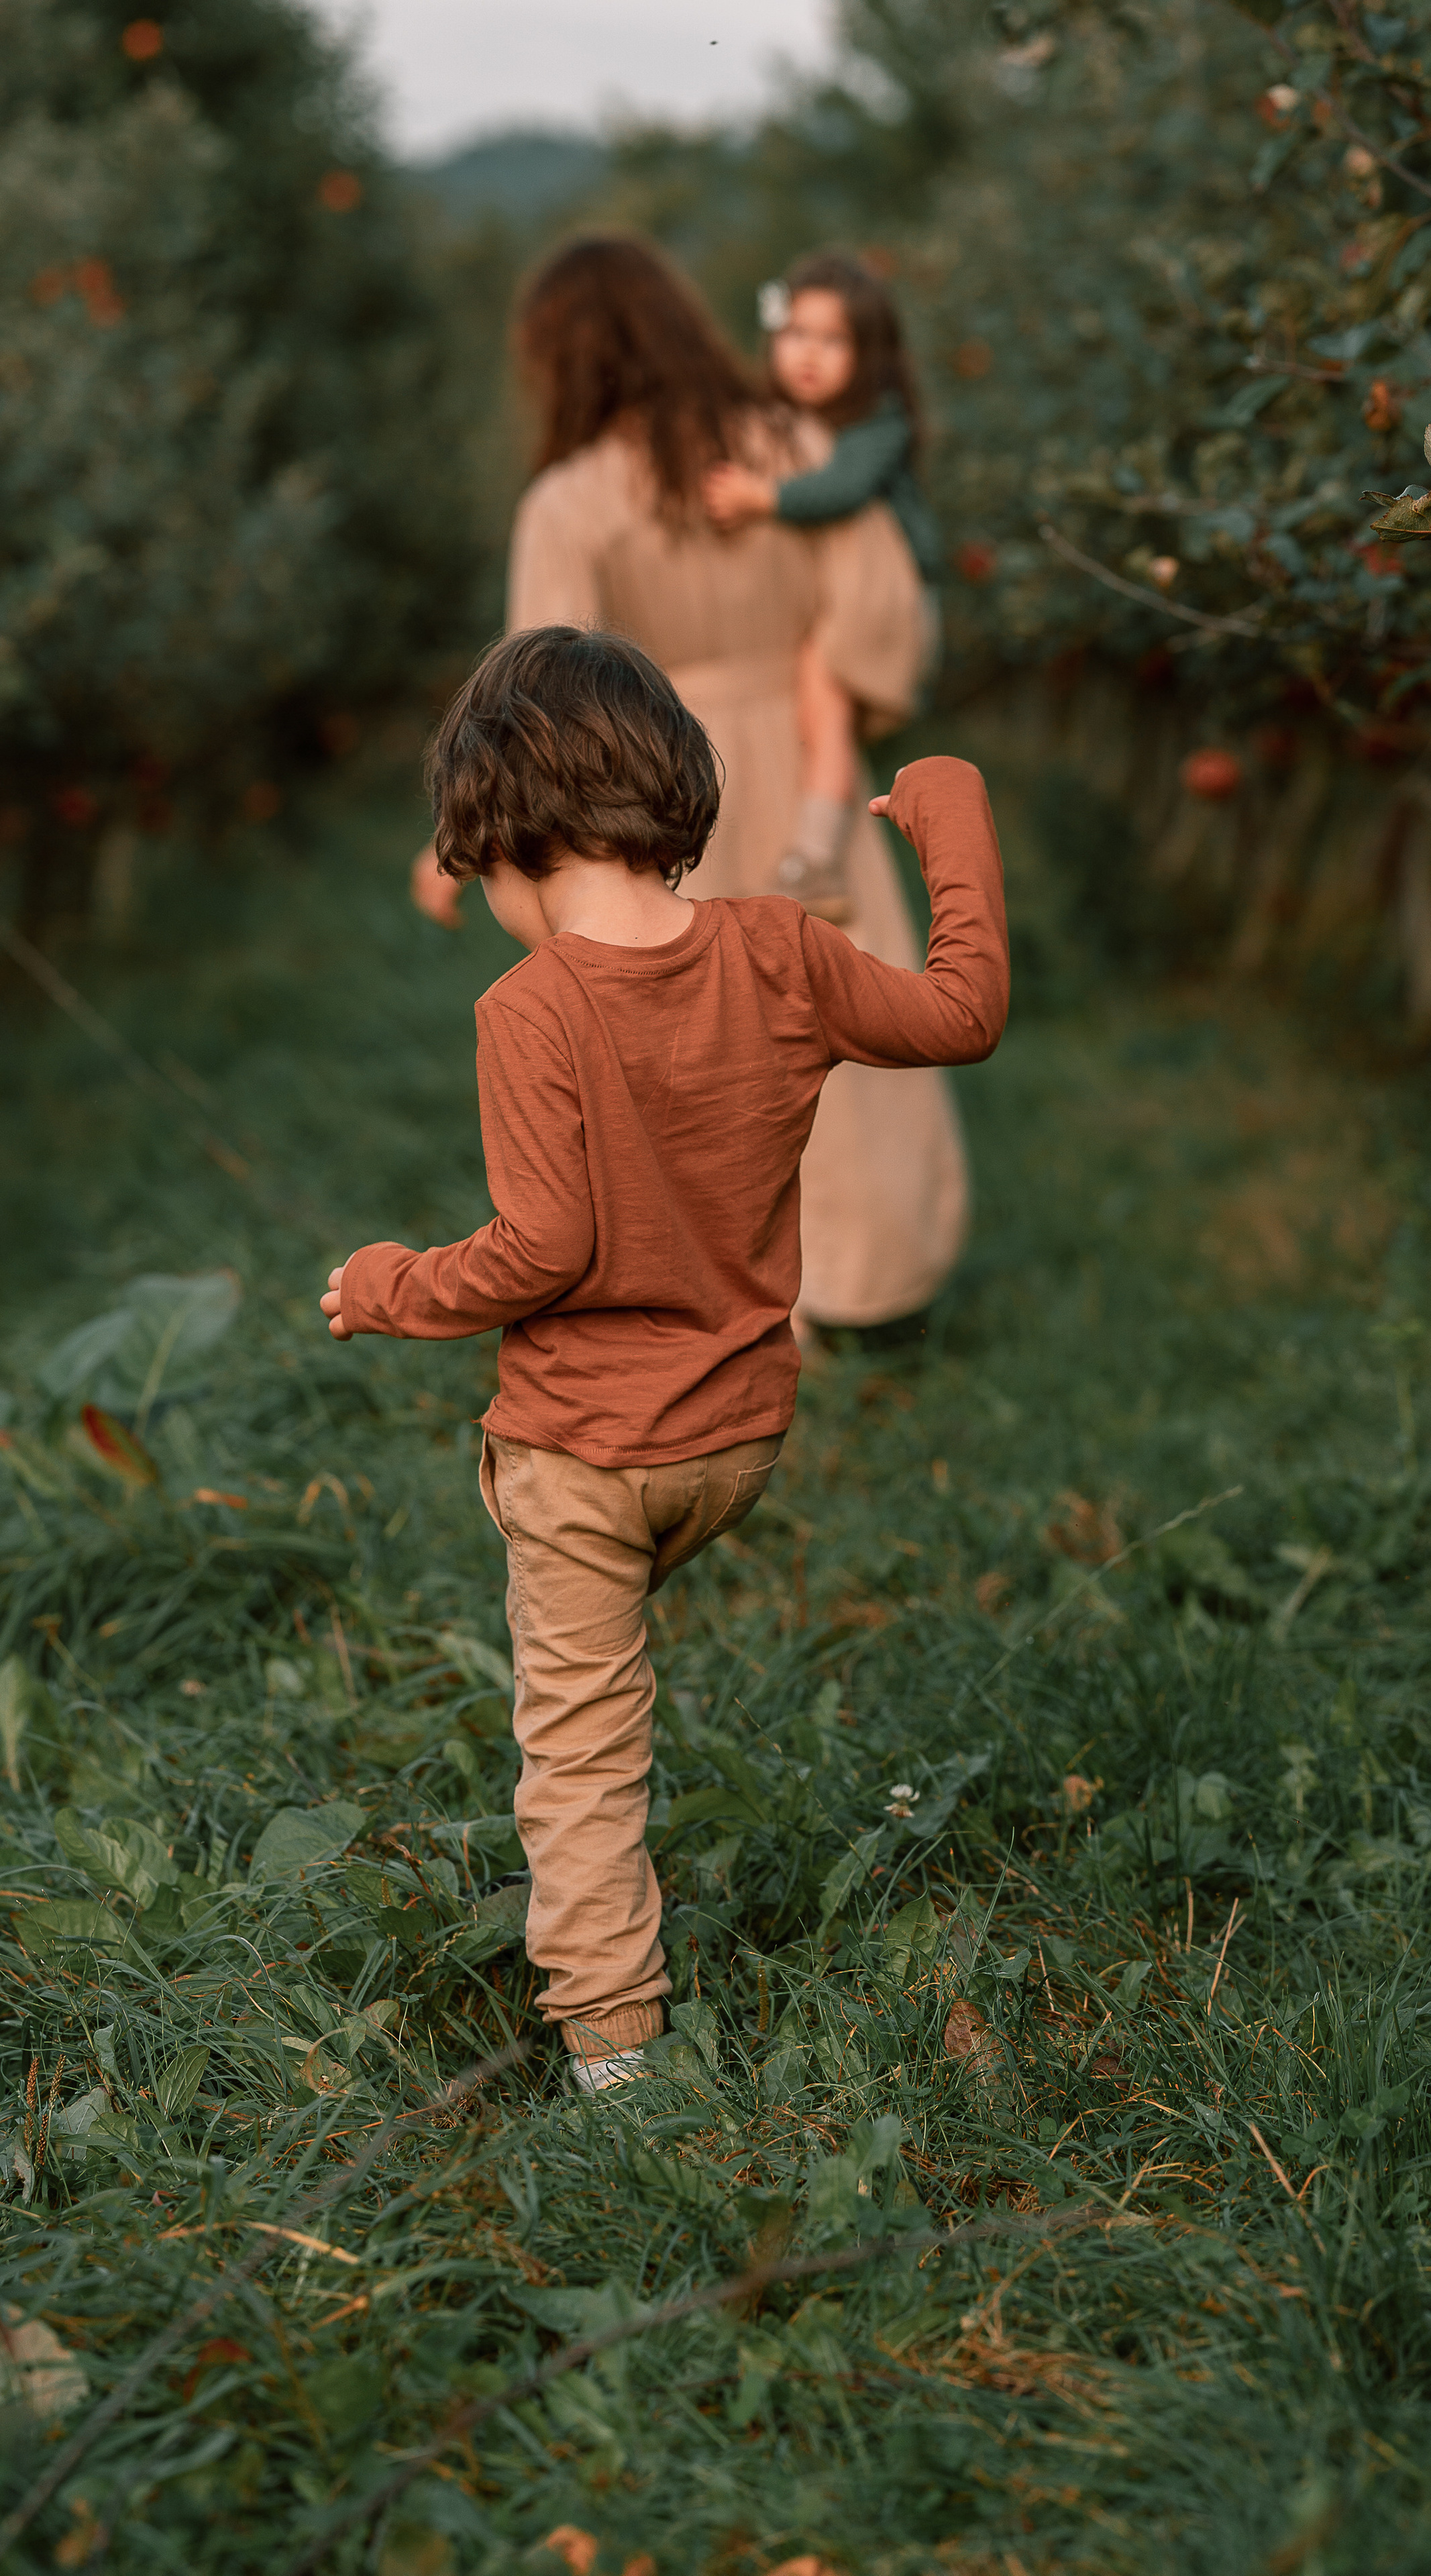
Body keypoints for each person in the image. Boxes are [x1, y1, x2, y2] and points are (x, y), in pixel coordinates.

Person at [324, 626, 1009, 2086]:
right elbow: (965, 1012)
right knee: (608, 1680)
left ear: (507, 835)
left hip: (586, 1455)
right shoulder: (781, 951)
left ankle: (617, 2062)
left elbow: (544, 1249)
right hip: (736, 1441)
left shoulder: (530, 1009)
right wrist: (948, 815)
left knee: (580, 1751)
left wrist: (391, 1287)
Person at [416, 234, 969, 1340]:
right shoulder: (795, 445)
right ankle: (866, 1272)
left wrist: (457, 838)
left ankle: (734, 1298)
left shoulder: (571, 500)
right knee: (838, 1000)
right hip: (806, 760)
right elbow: (881, 605)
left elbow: (541, 690)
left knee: (697, 1048)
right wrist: (833, 689)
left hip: (650, 789)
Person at [704, 252, 940, 926]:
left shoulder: (878, 424)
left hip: (892, 603)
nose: (809, 354)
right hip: (848, 600)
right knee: (813, 706)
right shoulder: (778, 425)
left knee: (822, 695)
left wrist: (762, 497)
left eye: (834, 340)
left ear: (870, 356)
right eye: (796, 334)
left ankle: (814, 858)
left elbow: (841, 489)